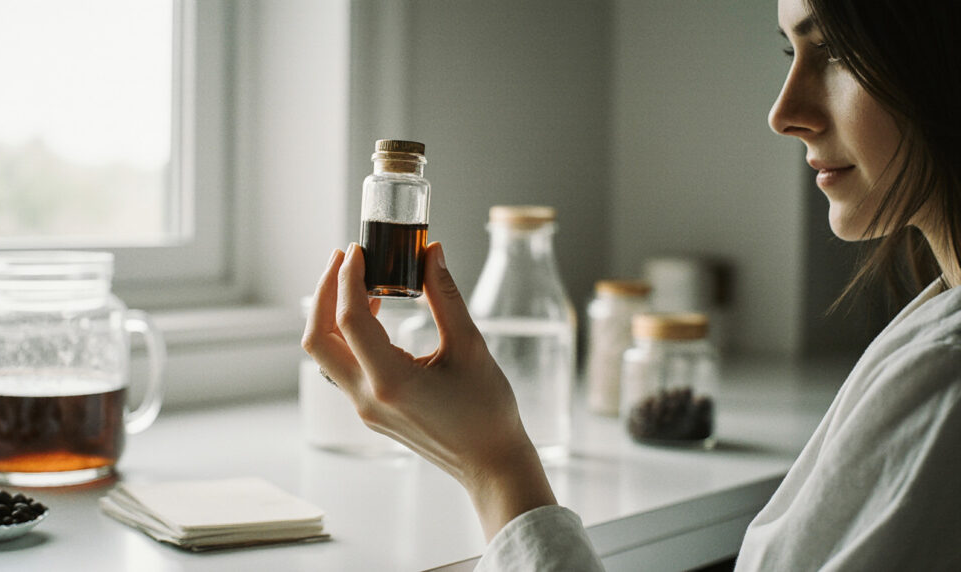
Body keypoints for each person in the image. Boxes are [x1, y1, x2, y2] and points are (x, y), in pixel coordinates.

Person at [301, 0, 961, 569]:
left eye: (839, 51)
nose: (783, 112)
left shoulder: (943, 386)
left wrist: (493, 463)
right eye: (789, 50)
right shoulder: (931, 322)